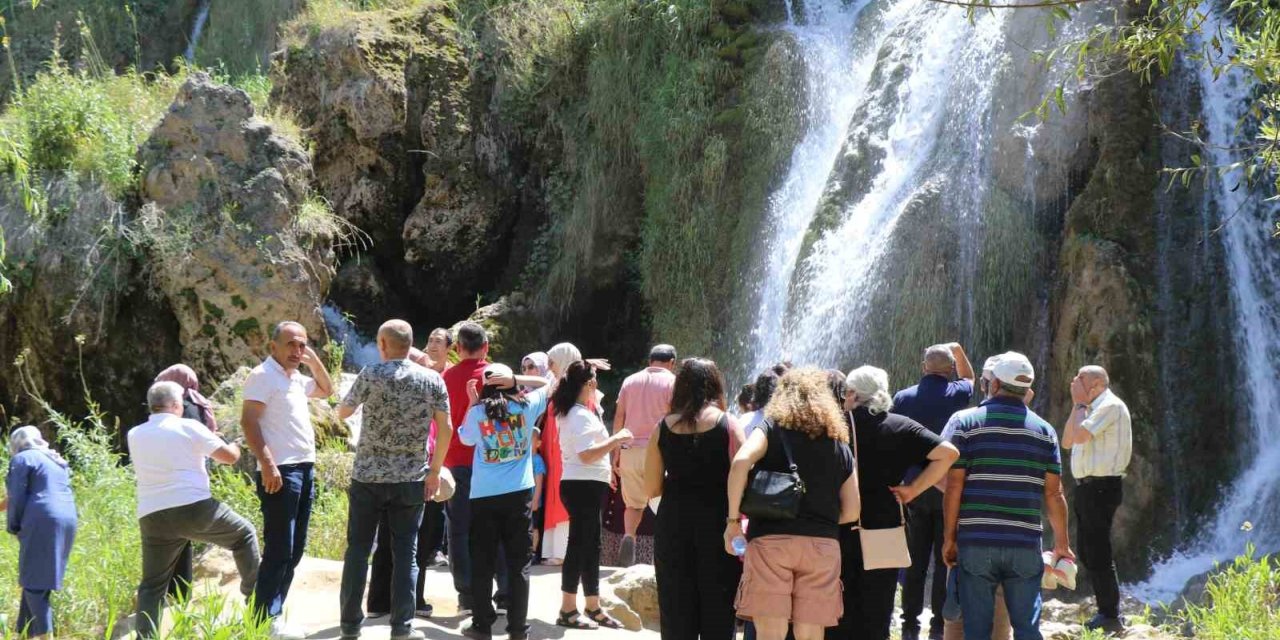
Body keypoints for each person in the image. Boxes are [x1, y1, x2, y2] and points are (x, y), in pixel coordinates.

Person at [942, 352, 1073, 640]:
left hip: (976, 542)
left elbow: (954, 487)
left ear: (995, 383)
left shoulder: (968, 425)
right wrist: (1062, 544)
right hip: (1025, 544)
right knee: (1027, 629)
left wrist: (949, 538)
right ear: (1026, 390)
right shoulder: (1045, 431)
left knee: (976, 630)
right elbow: (1054, 493)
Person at [336, 320, 452, 640]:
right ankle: (401, 628)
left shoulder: (371, 373)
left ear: (382, 344)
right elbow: (446, 429)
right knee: (406, 553)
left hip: (368, 477)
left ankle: (349, 627)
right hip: (411, 479)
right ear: (411, 344)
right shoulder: (431, 380)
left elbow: (343, 414)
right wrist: (434, 471)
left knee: (358, 550)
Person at [725, 368, 860, 640]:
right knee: (810, 633)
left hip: (770, 541)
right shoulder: (839, 442)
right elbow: (853, 511)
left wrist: (732, 522)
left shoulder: (771, 429)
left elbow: (740, 462)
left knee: (770, 633)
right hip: (822, 545)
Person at [830, 367, 958, 640]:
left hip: (839, 525)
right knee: (878, 608)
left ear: (852, 394)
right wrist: (914, 489)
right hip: (886, 527)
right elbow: (949, 453)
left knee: (839, 608)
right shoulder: (901, 425)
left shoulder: (835, 426)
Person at [130, 382, 259, 639]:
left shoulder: (134, 434)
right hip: (194, 508)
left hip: (152, 516)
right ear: (177, 405)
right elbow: (229, 458)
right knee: (244, 534)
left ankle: (146, 637)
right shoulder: (188, 426)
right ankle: (258, 606)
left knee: (152, 585)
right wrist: (232, 442)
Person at [240, 320, 335, 638]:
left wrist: (313, 360)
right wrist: (267, 464)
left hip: (304, 468)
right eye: (291, 344)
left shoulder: (294, 378)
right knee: (280, 548)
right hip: (281, 470)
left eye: (302, 345)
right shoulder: (262, 376)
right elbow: (248, 421)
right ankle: (262, 619)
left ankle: (269, 613)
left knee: (294, 549)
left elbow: (327, 390)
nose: (297, 350)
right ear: (273, 346)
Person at [645, 358, 745, 640]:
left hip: (673, 523)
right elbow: (743, 478)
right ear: (715, 386)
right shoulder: (729, 424)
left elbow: (651, 487)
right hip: (718, 524)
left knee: (676, 608)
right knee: (719, 606)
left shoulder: (663, 427)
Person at [456, 363, 550, 640]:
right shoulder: (526, 407)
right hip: (519, 495)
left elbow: (465, 439)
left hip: (484, 497)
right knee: (518, 563)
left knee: (482, 562)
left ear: (484, 386)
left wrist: (473, 404)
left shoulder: (476, 414)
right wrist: (516, 379)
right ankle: (518, 629)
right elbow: (547, 383)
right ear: (510, 383)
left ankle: (482, 626)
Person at [368, 327, 454, 619]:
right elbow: (443, 432)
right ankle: (406, 601)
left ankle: (382, 602)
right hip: (417, 472)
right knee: (415, 540)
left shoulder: (391, 388)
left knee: (396, 538)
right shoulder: (428, 392)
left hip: (387, 473)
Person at [892, 343, 974, 640]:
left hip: (911, 489)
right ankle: (938, 627)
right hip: (946, 490)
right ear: (949, 369)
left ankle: (909, 626)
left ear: (924, 367)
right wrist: (959, 351)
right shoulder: (958, 393)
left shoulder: (903, 397)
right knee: (944, 558)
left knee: (913, 560)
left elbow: (892, 437)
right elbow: (971, 378)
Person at [553, 360, 632, 630]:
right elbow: (587, 455)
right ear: (587, 385)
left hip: (586, 485)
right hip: (582, 486)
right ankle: (567, 610)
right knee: (579, 546)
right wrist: (617, 437)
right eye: (593, 380)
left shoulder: (577, 410)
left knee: (590, 546)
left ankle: (593, 606)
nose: (596, 384)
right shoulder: (578, 414)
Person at [940, 356, 1012, 640]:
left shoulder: (963, 420)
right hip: (1014, 533)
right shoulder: (1037, 426)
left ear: (988, 384)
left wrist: (949, 533)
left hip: (970, 529)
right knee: (1000, 608)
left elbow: (938, 471)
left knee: (959, 606)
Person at [1061, 365, 1132, 633]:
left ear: (1097, 384)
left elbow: (1080, 435)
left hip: (1102, 487)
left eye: (1081, 379)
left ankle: (1111, 614)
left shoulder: (1110, 406)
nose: (1075, 382)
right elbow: (1068, 441)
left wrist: (1079, 403)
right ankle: (1105, 608)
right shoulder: (1086, 409)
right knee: (1088, 551)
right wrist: (1077, 406)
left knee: (1098, 551)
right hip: (1087, 488)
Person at [153, 363, 219, 603]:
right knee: (183, 535)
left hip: (174, 481)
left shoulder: (182, 407)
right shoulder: (200, 403)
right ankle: (180, 592)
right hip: (195, 476)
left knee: (174, 539)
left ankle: (177, 595)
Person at [6, 426, 77, 639]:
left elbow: (16, 497)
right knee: (37, 580)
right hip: (67, 518)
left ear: (16, 444)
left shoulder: (22, 459)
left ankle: (46, 636)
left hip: (41, 518)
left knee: (34, 584)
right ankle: (24, 633)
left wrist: (13, 526)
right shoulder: (54, 460)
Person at [613, 343, 678, 566]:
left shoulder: (630, 381)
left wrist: (616, 453)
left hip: (629, 448)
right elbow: (675, 418)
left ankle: (629, 536)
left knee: (633, 505)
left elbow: (619, 417)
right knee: (664, 504)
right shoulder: (673, 382)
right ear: (672, 363)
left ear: (650, 361)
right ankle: (665, 553)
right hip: (658, 451)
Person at [532, 428, 547, 558]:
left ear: (538, 443)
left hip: (533, 501)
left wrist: (536, 500)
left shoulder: (537, 460)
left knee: (534, 527)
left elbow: (539, 481)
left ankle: (533, 552)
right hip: (523, 501)